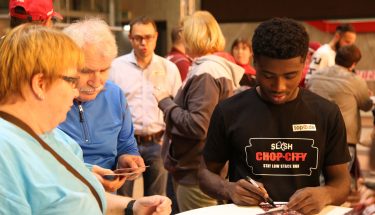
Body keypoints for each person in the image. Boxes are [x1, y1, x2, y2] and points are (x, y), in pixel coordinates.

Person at [0, 24, 171, 215]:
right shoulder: (5, 153)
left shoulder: (52, 136)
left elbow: (76, 195)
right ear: (40, 84)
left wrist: (131, 206)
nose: (76, 91)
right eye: (72, 80)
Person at [198, 17, 351, 215]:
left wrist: (326, 194)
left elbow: (341, 181)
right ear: (255, 62)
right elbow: (204, 173)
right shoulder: (229, 111)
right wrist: (227, 188)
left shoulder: (326, 113)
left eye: (290, 76)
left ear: (304, 63)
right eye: (268, 76)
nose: (279, 87)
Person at [154, 10, 244, 212]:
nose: (182, 38)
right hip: (200, 167)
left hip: (195, 170)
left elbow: (197, 126)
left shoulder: (207, 72)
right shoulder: (212, 68)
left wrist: (165, 102)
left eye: (185, 33)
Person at [58, 18, 145, 190]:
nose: (97, 81)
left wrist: (127, 159)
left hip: (109, 194)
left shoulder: (115, 95)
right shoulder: (50, 102)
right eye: (86, 71)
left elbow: (125, 143)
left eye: (104, 70)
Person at [110, 15, 182, 197]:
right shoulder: (116, 68)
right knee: (123, 200)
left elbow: (179, 106)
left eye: (148, 37)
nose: (144, 43)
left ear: (156, 37)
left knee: (155, 200)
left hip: (157, 143)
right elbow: (109, 107)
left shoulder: (169, 68)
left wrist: (170, 138)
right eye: (138, 38)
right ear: (131, 38)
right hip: (125, 143)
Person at [307, 44, 373, 172]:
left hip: (314, 136)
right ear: (353, 64)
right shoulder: (355, 80)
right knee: (337, 183)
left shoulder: (315, 76)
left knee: (315, 180)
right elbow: (366, 105)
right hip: (343, 140)